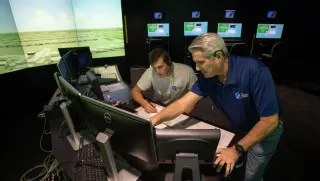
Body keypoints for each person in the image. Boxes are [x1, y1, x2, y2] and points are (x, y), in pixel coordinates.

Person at [150, 33, 283, 181]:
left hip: (265, 130)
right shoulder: (208, 78)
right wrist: (155, 119)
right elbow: (182, 104)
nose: (197, 68)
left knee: (251, 175)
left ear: (218, 56)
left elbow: (270, 121)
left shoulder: (255, 70)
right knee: (231, 167)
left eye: (201, 62)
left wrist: (236, 150)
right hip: (239, 127)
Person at [131, 48, 198, 114]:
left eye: (160, 67)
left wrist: (185, 112)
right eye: (154, 67)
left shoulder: (187, 71)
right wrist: (144, 103)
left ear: (168, 62)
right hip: (160, 107)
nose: (157, 71)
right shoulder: (151, 71)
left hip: (180, 108)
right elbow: (134, 91)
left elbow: (197, 94)